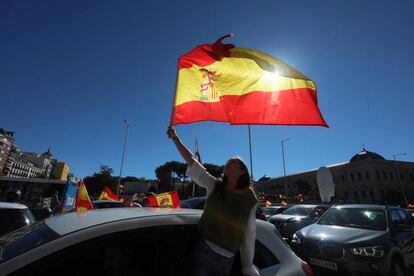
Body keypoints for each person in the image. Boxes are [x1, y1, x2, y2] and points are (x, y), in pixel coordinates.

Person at [167, 126, 259, 276]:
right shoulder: (215, 185)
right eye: (228, 161)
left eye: (233, 162)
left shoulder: (249, 198)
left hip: (227, 259)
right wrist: (175, 138)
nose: (228, 162)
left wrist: (248, 265)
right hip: (204, 251)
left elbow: (249, 232)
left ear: (242, 171)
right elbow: (192, 163)